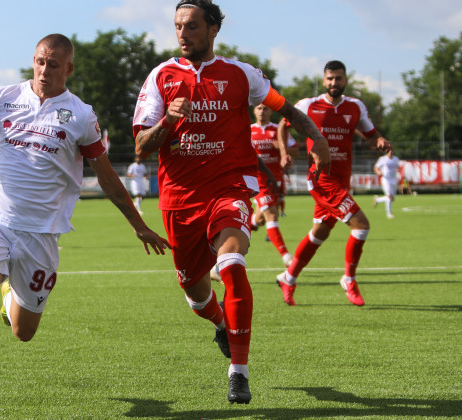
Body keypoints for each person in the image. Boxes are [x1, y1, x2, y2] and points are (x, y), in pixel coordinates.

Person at [0, 34, 170, 420]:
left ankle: (13, 300)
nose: (45, 70)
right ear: (33, 60)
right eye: (40, 62)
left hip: (41, 233)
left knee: (24, 332)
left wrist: (138, 224)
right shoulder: (3, 98)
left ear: (69, 68)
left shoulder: (80, 115)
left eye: (54, 64)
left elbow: (108, 176)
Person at [133, 0, 330, 404]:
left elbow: (286, 108)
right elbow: (140, 146)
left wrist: (318, 139)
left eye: (191, 26)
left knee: (233, 265)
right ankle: (220, 322)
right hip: (180, 198)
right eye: (177, 26)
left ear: (213, 29)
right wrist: (169, 120)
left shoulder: (242, 74)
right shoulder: (161, 76)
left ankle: (238, 372)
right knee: (195, 292)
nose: (183, 33)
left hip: (229, 188)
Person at [276, 60, 391, 307]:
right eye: (329, 78)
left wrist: (380, 141)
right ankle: (349, 279)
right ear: (324, 80)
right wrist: (285, 151)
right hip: (321, 180)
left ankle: (289, 277)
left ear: (345, 80)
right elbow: (283, 125)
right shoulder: (308, 105)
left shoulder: (355, 107)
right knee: (361, 226)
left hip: (341, 181)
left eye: (338, 78)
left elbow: (372, 136)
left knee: (319, 233)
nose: (333, 83)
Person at [249, 104, 299, 267]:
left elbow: (296, 151)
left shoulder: (278, 130)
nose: (262, 111)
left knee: (261, 219)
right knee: (271, 215)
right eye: (259, 108)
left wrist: (283, 149)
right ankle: (287, 257)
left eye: (265, 108)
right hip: (258, 181)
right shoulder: (248, 130)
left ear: (270, 111)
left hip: (276, 181)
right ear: (254, 111)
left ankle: (237, 229)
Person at [373, 148, 401, 218]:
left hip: (393, 179)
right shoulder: (382, 159)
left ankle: (378, 200)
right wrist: (378, 172)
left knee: (392, 198)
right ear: (386, 152)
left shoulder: (396, 159)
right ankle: (389, 214)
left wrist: (398, 172)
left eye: (391, 151)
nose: (390, 152)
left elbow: (398, 167)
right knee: (389, 196)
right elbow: (376, 167)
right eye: (389, 151)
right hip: (386, 179)